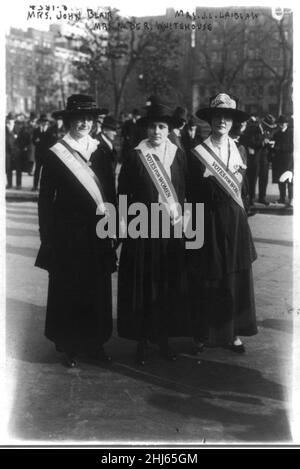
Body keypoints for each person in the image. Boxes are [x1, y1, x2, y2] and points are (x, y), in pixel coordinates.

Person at [35, 94, 117, 367]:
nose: (83, 123)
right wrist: (47, 237)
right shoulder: (55, 152)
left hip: (97, 233)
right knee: (70, 288)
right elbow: (46, 200)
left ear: (95, 121)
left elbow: (111, 195)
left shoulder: (103, 150)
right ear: (69, 120)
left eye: (89, 118)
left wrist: (113, 228)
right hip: (67, 234)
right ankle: (69, 344)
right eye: (78, 118)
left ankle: (95, 343)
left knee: (96, 289)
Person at [117, 102, 190, 365]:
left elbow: (184, 192)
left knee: (166, 283)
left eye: (161, 126)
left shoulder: (178, 154)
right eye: (152, 126)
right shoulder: (136, 155)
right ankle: (141, 340)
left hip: (170, 230)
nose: (156, 131)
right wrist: (122, 225)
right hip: (142, 229)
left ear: (168, 129)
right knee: (144, 284)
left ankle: (163, 338)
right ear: (145, 129)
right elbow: (123, 193)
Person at [188, 93, 257, 354]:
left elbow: (245, 190)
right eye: (217, 117)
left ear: (232, 123)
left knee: (236, 276)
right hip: (208, 220)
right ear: (210, 120)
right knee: (209, 276)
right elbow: (191, 193)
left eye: (227, 118)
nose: (222, 122)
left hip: (235, 221)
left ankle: (234, 333)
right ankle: (204, 333)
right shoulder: (196, 153)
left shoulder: (239, 150)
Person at [272, 115, 293, 206]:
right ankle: (282, 198)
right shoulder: (276, 134)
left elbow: (292, 147)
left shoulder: (291, 133)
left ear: (287, 124)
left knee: (289, 180)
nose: (281, 125)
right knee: (281, 179)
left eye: (283, 123)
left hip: (288, 160)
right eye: (280, 123)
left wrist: (277, 147)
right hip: (279, 160)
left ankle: (291, 198)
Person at [32, 114, 53, 191]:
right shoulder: (36, 130)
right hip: (38, 154)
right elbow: (34, 141)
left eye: (45, 121)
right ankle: (35, 186)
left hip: (47, 154)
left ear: (47, 122)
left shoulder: (50, 131)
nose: (44, 123)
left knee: (46, 172)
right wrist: (37, 141)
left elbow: (51, 142)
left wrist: (40, 141)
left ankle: (45, 187)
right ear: (40, 122)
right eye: (42, 121)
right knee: (37, 171)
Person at [5, 112, 20, 189]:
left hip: (16, 151)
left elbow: (22, 139)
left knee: (18, 168)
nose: (11, 121)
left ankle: (18, 185)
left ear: (14, 120)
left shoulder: (18, 128)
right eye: (10, 119)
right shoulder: (4, 128)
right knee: (8, 168)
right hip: (7, 152)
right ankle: (9, 184)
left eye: (12, 119)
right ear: (7, 120)